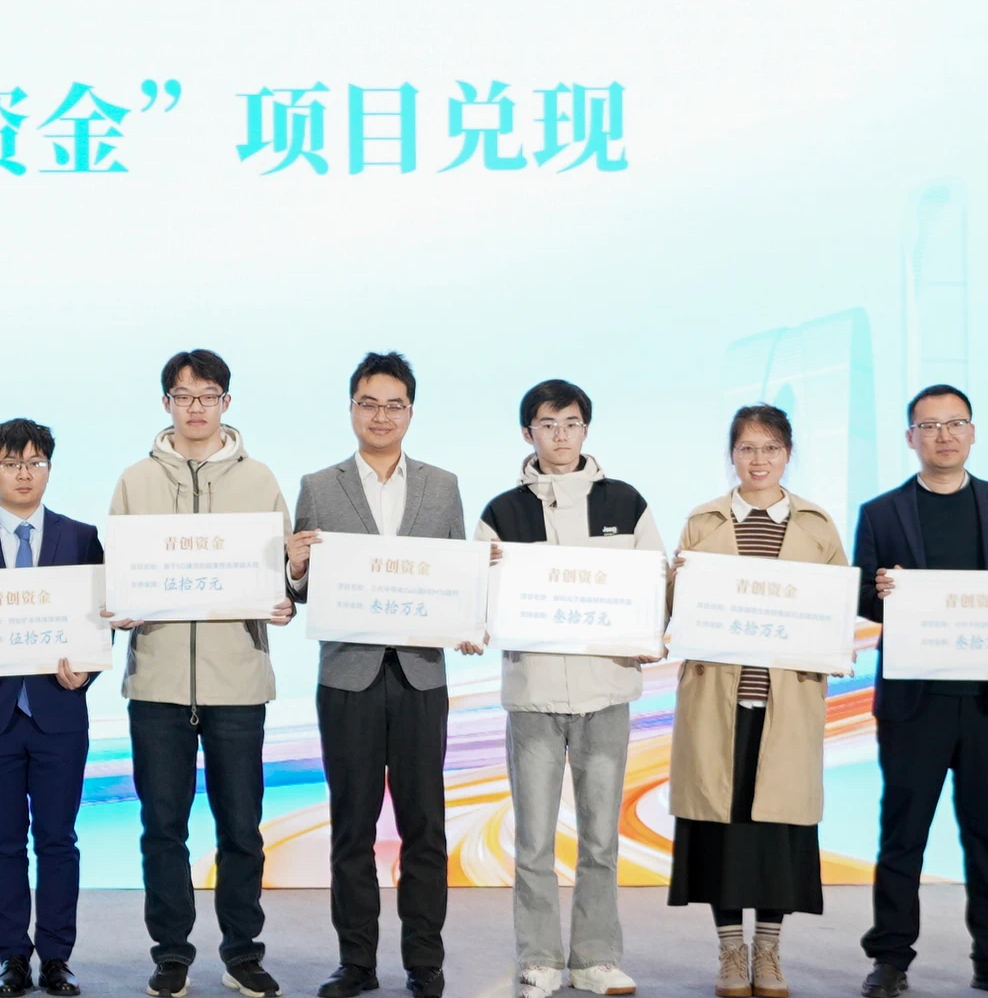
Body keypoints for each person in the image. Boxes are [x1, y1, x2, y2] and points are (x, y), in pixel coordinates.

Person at [853, 386, 988, 998]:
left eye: (955, 423)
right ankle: (890, 959)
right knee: (903, 835)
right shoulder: (882, 512)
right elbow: (863, 597)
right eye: (929, 425)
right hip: (915, 703)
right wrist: (881, 591)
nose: (943, 435)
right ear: (909, 437)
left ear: (972, 432)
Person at [108, 348, 297, 998]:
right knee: (163, 828)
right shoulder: (135, 480)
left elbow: (283, 577)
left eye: (208, 395)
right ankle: (171, 953)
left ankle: (243, 952)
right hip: (157, 680)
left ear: (226, 402)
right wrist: (116, 606)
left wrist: (285, 596)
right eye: (184, 396)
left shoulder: (260, 480)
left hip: (236, 679)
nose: (196, 407)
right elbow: (117, 574)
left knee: (241, 828)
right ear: (166, 402)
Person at [474, 378, 665, 998]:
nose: (561, 435)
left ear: (586, 429)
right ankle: (538, 957)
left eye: (572, 423)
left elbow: (654, 583)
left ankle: (596, 958)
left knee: (601, 838)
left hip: (605, 691)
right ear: (527, 432)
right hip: (532, 694)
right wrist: (483, 592)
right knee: (532, 839)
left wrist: (654, 629)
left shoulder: (626, 503)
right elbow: (478, 602)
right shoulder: (501, 512)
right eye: (548, 424)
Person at [286, 351, 467, 998]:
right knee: (351, 827)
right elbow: (304, 588)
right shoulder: (319, 485)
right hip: (348, 676)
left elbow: (454, 578)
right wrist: (296, 568)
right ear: (352, 408)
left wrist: (470, 611)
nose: (381, 415)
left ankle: (425, 961)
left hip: (421, 675)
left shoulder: (443, 485)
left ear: (410, 412)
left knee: (425, 827)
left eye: (394, 405)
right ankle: (356, 962)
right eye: (370, 403)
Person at [667, 405, 846, 998]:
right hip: (717, 706)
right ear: (732, 455)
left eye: (770, 447)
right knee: (719, 831)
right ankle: (729, 952)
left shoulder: (817, 526)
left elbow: (834, 615)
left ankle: (767, 950)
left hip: (785, 707)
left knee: (777, 834)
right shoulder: (702, 522)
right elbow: (674, 611)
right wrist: (677, 581)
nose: (759, 459)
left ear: (788, 454)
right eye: (747, 448)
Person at [0, 417, 106, 998]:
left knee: (58, 840)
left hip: (60, 712)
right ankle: (12, 955)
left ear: (49, 468)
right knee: (3, 843)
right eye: (11, 463)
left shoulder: (81, 537)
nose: (24, 473)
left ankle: (57, 957)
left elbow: (103, 616)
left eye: (36, 462)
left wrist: (87, 669)